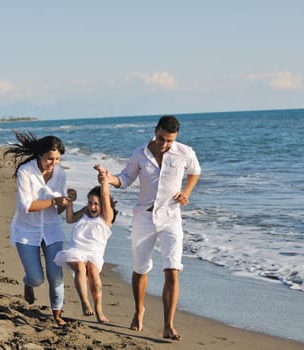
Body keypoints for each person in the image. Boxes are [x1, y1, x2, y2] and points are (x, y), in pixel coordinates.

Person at [99, 116, 200, 340]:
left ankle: (168, 325)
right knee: (141, 268)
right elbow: (124, 179)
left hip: (171, 217)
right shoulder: (140, 153)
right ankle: (139, 309)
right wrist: (109, 178)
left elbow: (195, 171)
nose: (164, 144)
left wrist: (186, 193)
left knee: (172, 270)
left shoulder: (184, 152)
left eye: (169, 141)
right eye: (161, 139)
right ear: (155, 131)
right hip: (144, 219)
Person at [4, 131, 73, 326]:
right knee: (36, 278)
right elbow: (27, 205)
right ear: (40, 155)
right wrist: (54, 201)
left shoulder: (61, 173)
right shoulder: (25, 171)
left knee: (56, 275)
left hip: (52, 229)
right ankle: (28, 284)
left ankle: (57, 313)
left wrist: (67, 201)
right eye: (50, 159)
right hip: (26, 230)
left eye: (58, 159)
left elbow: (58, 209)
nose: (54, 163)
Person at [54, 165, 117, 323]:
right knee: (81, 267)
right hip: (77, 249)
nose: (92, 206)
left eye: (96, 204)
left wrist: (103, 175)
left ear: (103, 205)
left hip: (94, 253)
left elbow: (105, 193)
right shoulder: (85, 212)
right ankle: (85, 302)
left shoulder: (106, 217)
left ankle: (99, 310)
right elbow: (69, 219)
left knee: (94, 275)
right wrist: (69, 204)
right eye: (90, 203)